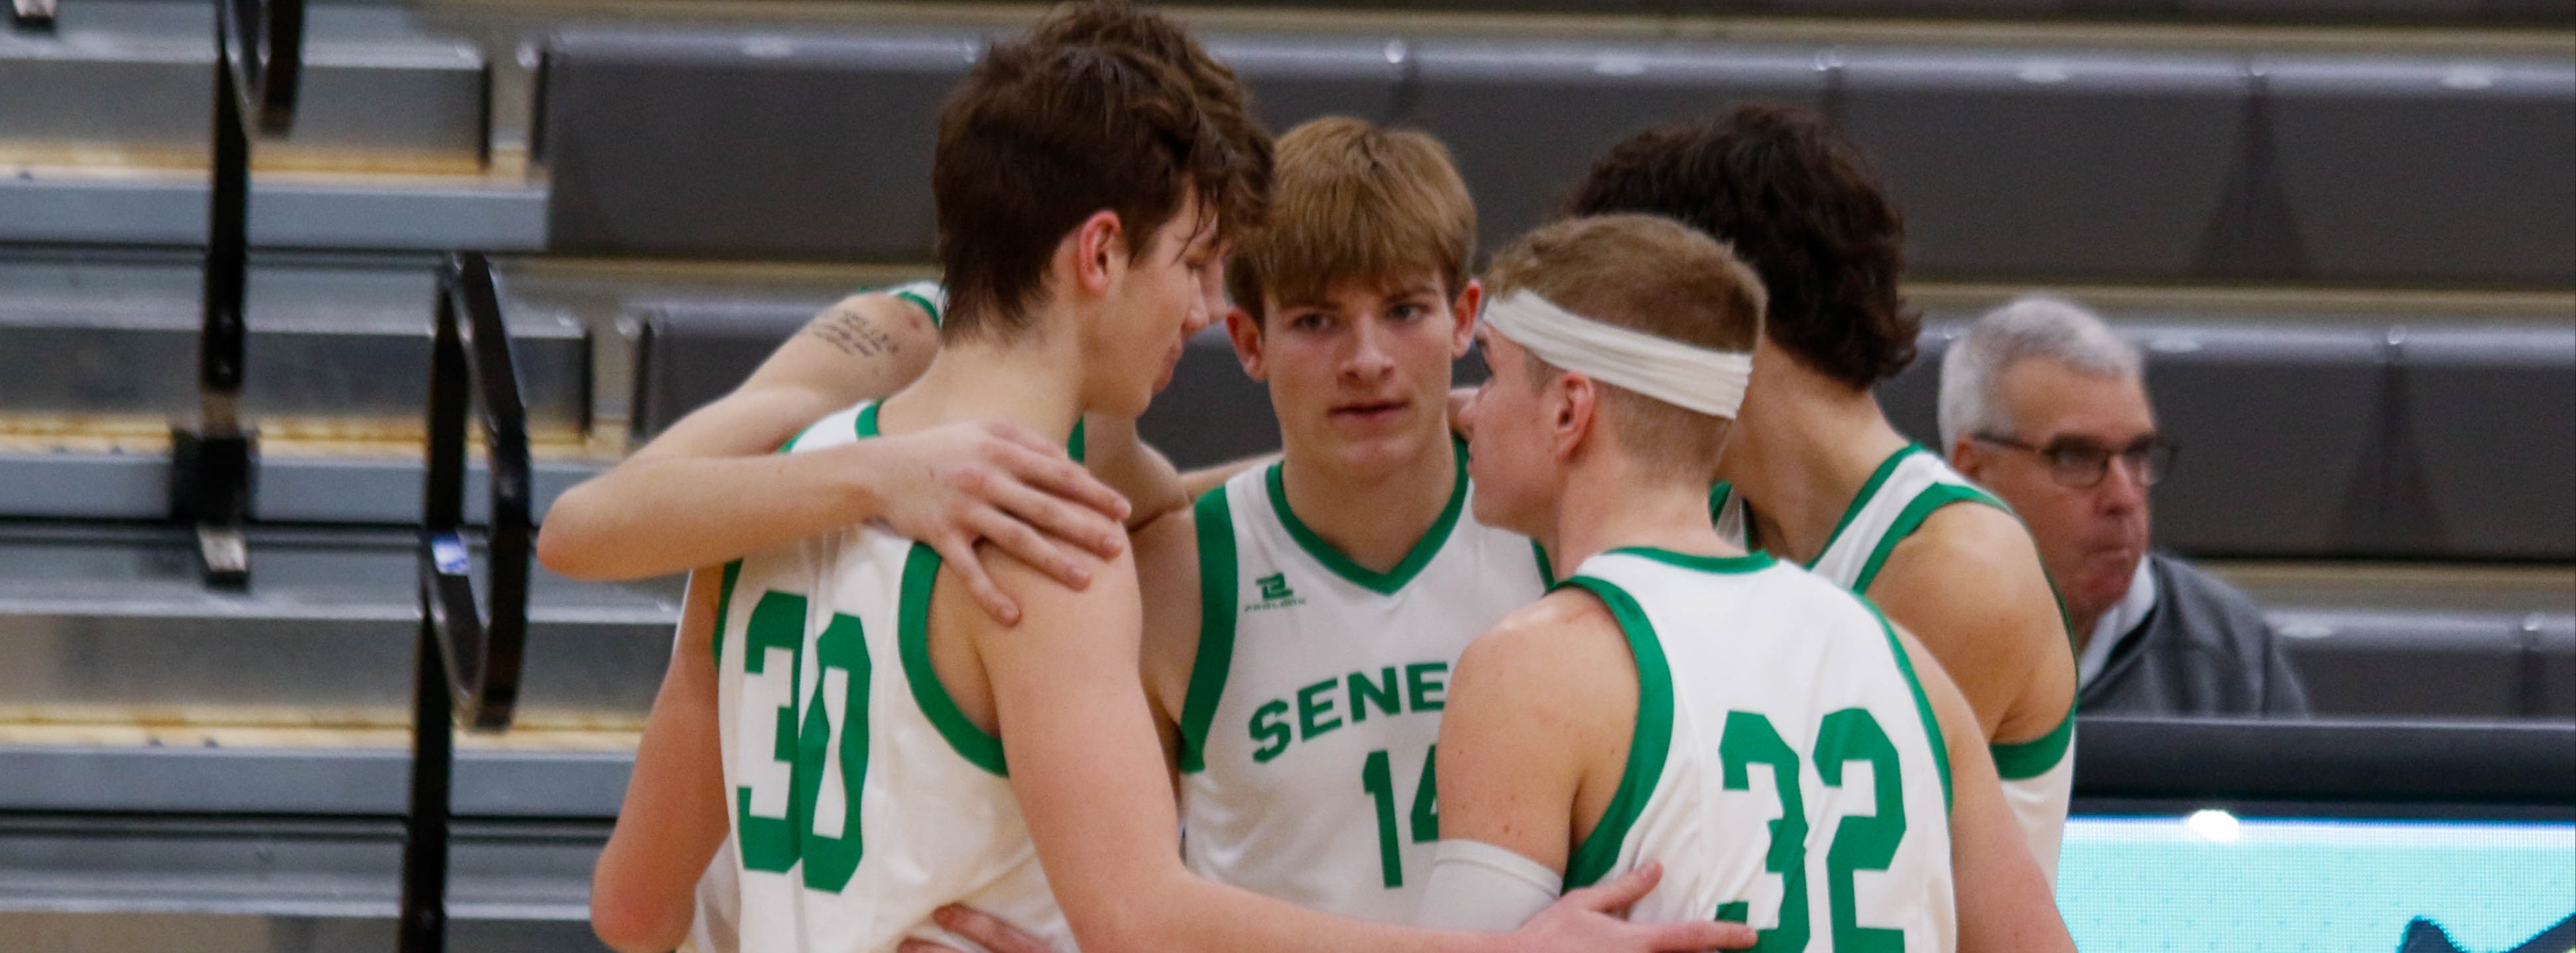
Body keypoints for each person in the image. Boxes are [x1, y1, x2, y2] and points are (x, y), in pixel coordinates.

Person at [587, 5, 1752, 953]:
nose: (1200, 309)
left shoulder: (765, 492)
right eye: (1195, 265)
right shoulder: (1047, 539)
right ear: (1098, 253)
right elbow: (1142, 916)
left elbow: (636, 909)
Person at [1419, 213, 2073, 952]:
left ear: (1570, 410)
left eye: (1493, 369)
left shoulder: (1532, 667)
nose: (1472, 408)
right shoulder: (1903, 661)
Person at [1569, 104, 2080, 882]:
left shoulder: (1955, 568)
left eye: (1614, 326)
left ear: (1710, 318)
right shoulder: (1707, 515)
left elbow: (1760, 875)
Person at [1941, 296, 2309, 716]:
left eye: (2137, 454)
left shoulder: (2226, 648)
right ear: (1973, 472)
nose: (2124, 498)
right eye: (2074, 457)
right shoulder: (1892, 641)